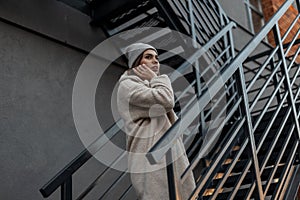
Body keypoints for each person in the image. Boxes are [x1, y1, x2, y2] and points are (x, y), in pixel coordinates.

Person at [117, 43, 195, 199]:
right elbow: (166, 100)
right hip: (151, 156)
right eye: (148, 57)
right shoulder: (128, 86)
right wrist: (156, 78)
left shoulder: (149, 85)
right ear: (136, 63)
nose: (155, 61)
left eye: (156, 58)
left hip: (168, 153)